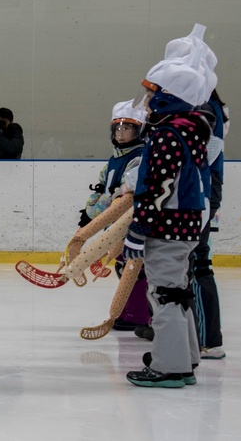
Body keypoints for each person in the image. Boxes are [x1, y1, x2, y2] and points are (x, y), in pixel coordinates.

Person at [124, 24, 216, 389]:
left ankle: (171, 366)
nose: (146, 102)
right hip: (187, 221)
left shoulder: (167, 134)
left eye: (152, 94)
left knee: (164, 291)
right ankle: (183, 353)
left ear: (168, 98)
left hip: (168, 224)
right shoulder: (191, 127)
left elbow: (157, 187)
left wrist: (138, 228)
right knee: (176, 290)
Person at [78, 100, 149, 331]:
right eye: (117, 128)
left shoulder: (138, 158)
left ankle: (138, 314)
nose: (121, 132)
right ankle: (131, 311)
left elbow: (120, 194)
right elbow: (102, 187)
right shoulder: (114, 159)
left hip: (130, 222)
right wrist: (89, 212)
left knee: (133, 269)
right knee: (123, 265)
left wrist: (96, 214)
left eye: (127, 128)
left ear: (139, 131)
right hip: (114, 222)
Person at [191, 89, 228, 359]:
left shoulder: (203, 104)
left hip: (200, 188)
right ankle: (193, 333)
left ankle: (207, 339)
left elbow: (205, 151)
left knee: (196, 261)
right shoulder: (205, 102)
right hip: (201, 187)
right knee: (190, 262)